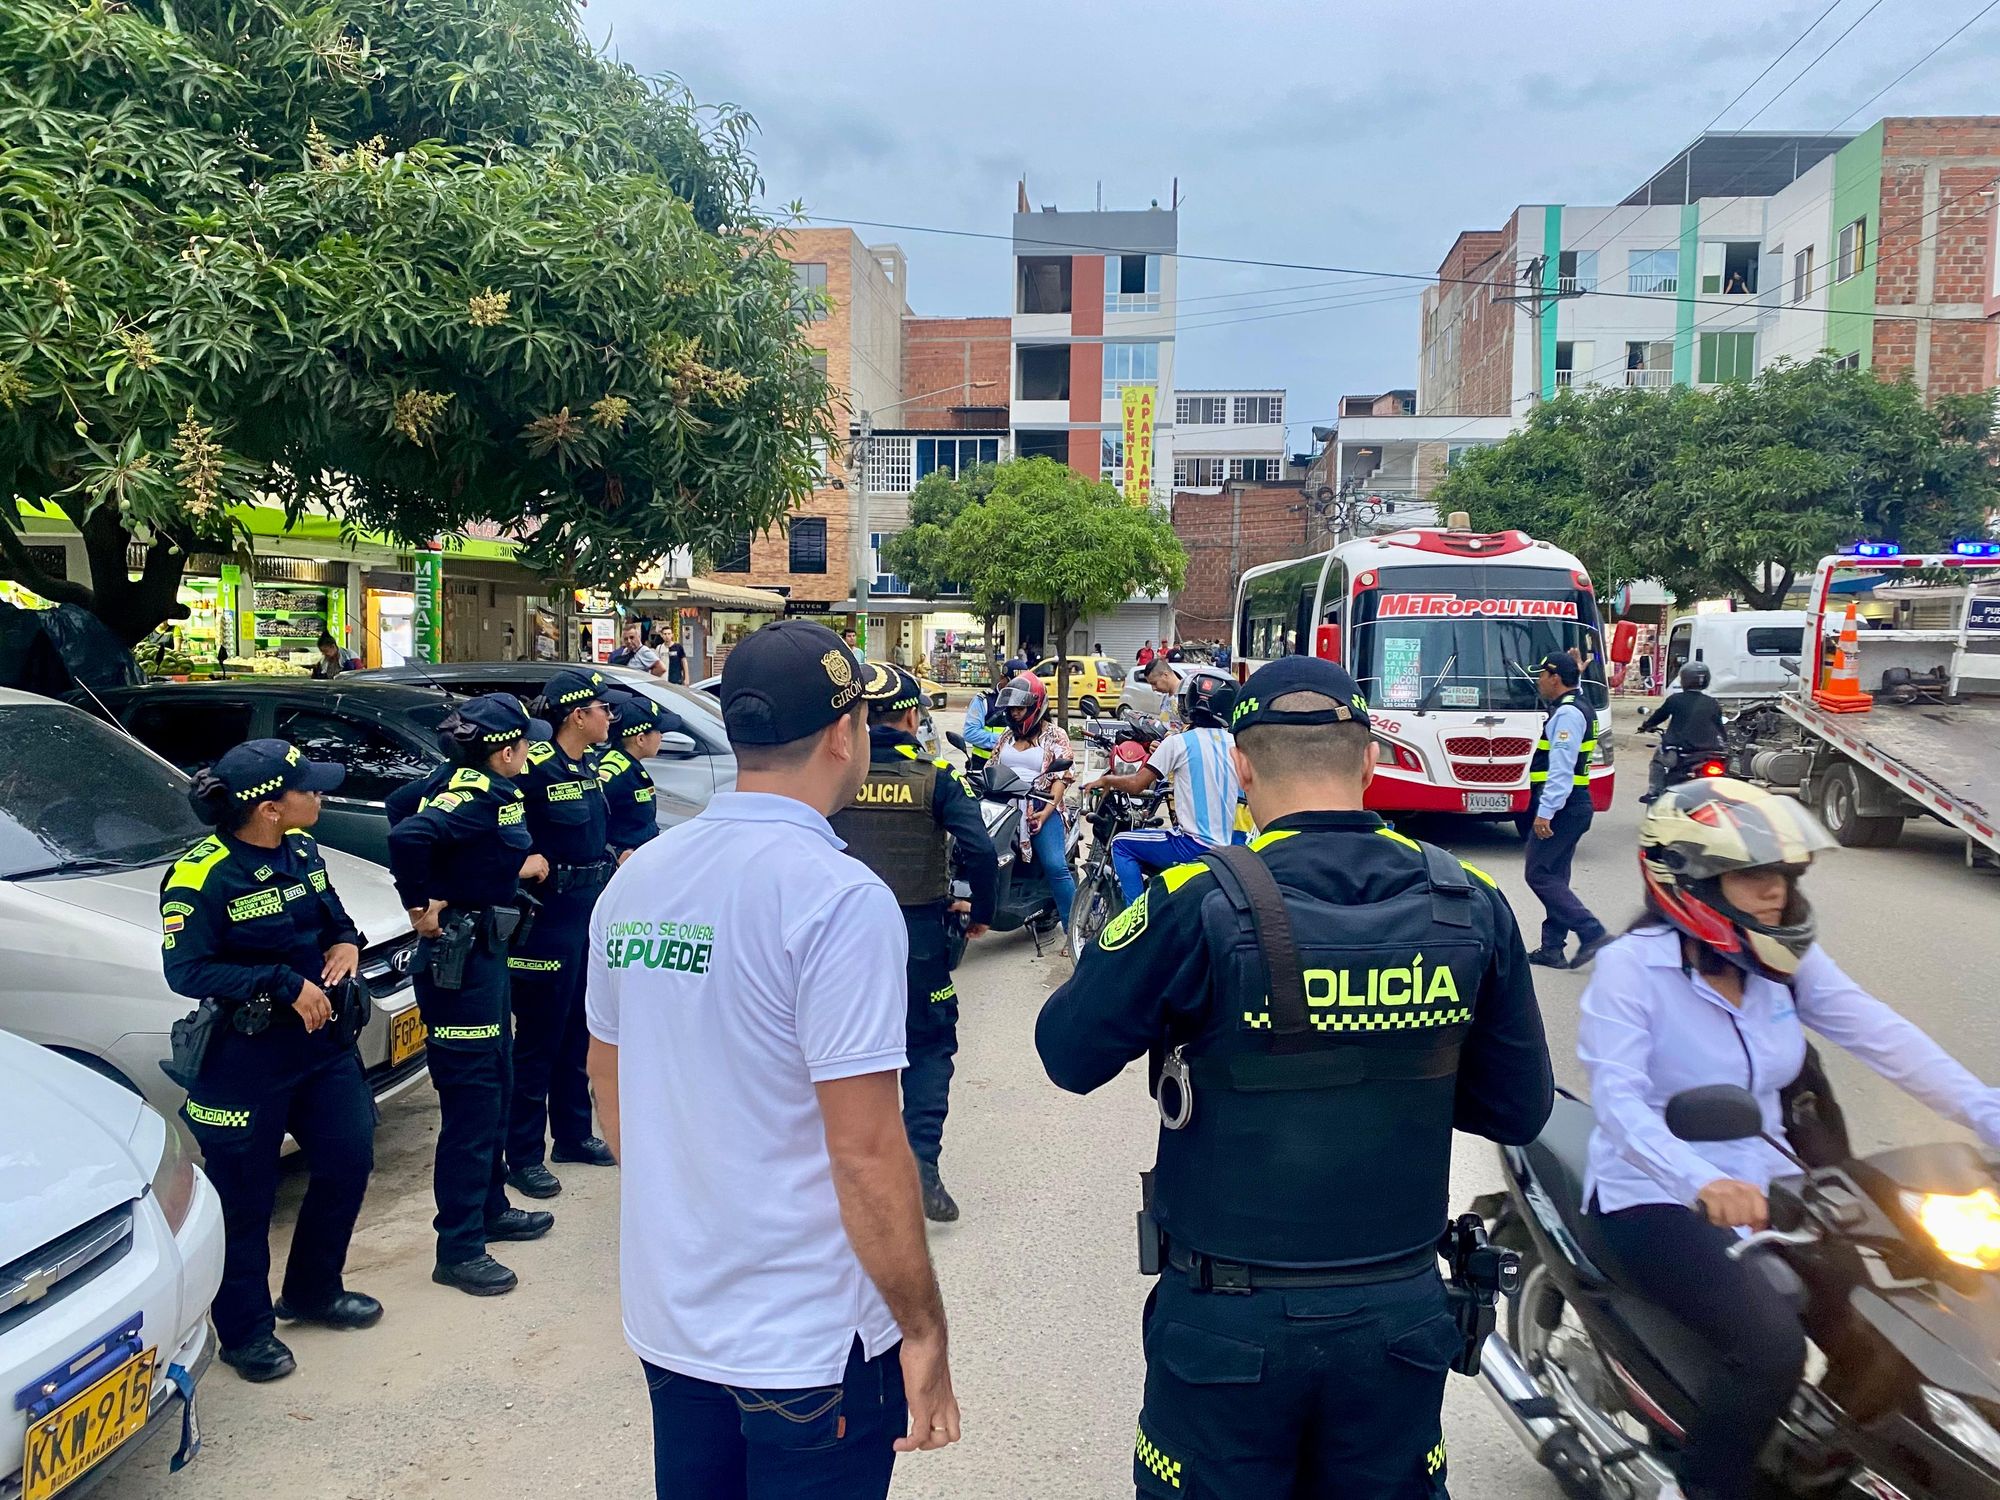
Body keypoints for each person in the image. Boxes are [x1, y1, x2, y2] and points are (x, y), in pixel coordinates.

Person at [1036, 657, 1553, 1499]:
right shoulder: (1469, 901)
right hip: (1398, 1317)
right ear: (1371, 761)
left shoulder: (1193, 901)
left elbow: (1068, 1054)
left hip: (1228, 1326)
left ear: (1242, 768)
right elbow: (1516, 1109)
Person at [584, 619, 960, 1498]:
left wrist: (695, 1216)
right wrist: (923, 1329)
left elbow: (608, 1080)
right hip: (807, 1341)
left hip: (675, 1318)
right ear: (843, 735)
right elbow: (867, 1150)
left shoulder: (640, 876)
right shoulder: (836, 897)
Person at [1580, 779, 2000, 1500]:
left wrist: (1986, 1110)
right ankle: (1701, 1487)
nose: (1776, 890)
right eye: (1752, 874)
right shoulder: (1632, 969)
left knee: (1901, 1319)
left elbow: (1884, 1035)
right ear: (1688, 880)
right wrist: (1699, 1181)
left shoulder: (1780, 959)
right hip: (1653, 1194)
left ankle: (1820, 1462)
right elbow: (1618, 1101)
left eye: (1783, 873)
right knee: (1770, 1348)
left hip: (1779, 1188)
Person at [161, 740, 383, 1382]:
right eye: (307, 788)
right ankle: (246, 1333)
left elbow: (335, 921)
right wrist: (282, 983)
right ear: (268, 808)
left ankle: (313, 1291)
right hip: (244, 1060)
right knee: (245, 1200)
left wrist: (346, 945)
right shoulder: (201, 875)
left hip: (321, 1050)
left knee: (349, 1162)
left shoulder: (303, 849)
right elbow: (186, 971)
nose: (320, 796)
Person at [385, 695, 555, 1296]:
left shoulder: (465, 781)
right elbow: (408, 834)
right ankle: (458, 1248)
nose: (530, 751)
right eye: (525, 743)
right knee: (472, 1104)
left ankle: (489, 1208)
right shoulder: (473, 794)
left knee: (498, 1082)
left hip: (486, 951)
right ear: (504, 751)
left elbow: (400, 802)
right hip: (459, 960)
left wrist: (466, 877)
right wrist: (420, 901)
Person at [830, 663, 999, 1223]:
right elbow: (980, 850)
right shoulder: (935, 777)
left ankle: (845, 1174)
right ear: (909, 717)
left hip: (840, 938)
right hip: (917, 939)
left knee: (840, 1050)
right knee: (927, 1046)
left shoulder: (834, 777)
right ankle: (920, 1164)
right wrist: (982, 913)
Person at [506, 669, 618, 1198]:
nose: (609, 717)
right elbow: (500, 827)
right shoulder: (534, 769)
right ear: (577, 715)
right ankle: (523, 1155)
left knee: (579, 1029)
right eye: (602, 708)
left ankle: (572, 1135)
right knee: (538, 1040)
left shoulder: (587, 765)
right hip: (546, 919)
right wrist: (519, 859)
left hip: (586, 912)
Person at [1088, 672, 1245, 901]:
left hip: (1192, 845)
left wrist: (1108, 780)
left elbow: (1136, 784)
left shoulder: (1177, 742)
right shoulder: (1237, 745)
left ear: (1189, 704)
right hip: (1232, 847)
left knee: (1121, 844)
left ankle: (1136, 915)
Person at [1525, 651, 1609, 970]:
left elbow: (1561, 769)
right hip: (1574, 805)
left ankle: (1592, 932)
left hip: (1565, 806)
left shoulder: (1568, 714)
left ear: (1555, 678)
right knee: (1556, 875)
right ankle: (1552, 948)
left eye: (1542, 675)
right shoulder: (1577, 703)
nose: (1538, 681)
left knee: (1538, 874)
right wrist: (1578, 673)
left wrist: (1546, 811)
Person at [986, 671, 1077, 929]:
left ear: (1036, 707)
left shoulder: (1055, 735)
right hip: (1003, 808)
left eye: (1020, 708)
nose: (1015, 713)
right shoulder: (1007, 736)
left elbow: (1062, 777)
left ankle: (1075, 930)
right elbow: (991, 766)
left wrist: (1046, 811)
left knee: (1055, 866)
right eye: (1011, 709)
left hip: (1040, 805)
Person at [599, 690, 674, 860]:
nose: (661, 736)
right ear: (640, 739)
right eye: (658, 731)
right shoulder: (613, 774)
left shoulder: (631, 766)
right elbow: (593, 827)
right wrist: (614, 855)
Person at [1638, 662, 1728, 802]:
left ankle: (1654, 792)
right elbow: (1719, 726)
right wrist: (1724, 742)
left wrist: (1646, 726)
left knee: (1658, 763)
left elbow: (1659, 716)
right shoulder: (1712, 702)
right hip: (1710, 752)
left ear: (1684, 679)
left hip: (1680, 751)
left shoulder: (1675, 699)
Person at [961, 657, 1008, 767]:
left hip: (1014, 767)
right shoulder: (984, 700)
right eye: (1013, 682)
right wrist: (1002, 740)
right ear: (1002, 678)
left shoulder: (1026, 702)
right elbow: (970, 733)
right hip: (983, 766)